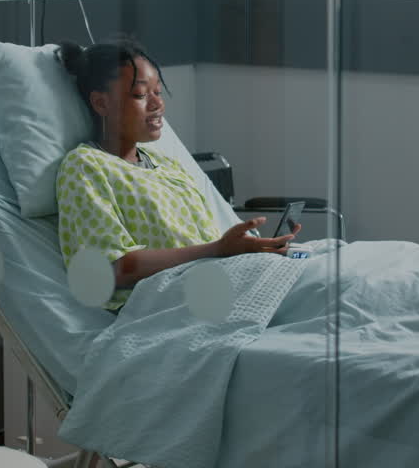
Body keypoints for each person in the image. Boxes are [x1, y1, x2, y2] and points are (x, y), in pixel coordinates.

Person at [55, 38, 299, 309]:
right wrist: (218, 250)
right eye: (140, 95)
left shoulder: (168, 165)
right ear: (101, 103)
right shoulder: (86, 166)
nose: (157, 104)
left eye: (158, 92)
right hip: (172, 300)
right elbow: (111, 268)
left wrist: (254, 248)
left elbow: (210, 243)